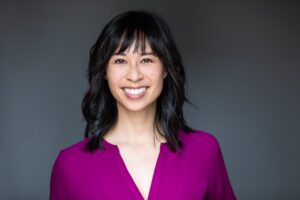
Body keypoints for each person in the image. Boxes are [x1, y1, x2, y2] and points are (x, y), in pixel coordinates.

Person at [49, 10, 237, 200]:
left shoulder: (204, 151)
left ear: (165, 68)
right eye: (120, 61)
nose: (134, 75)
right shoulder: (70, 165)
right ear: (105, 71)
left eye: (146, 60)